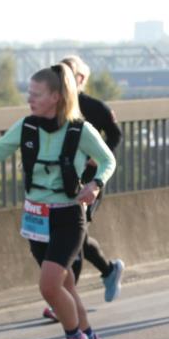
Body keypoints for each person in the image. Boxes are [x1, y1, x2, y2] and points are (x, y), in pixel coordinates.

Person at [0, 64, 116, 339]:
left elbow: (108, 160)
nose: (29, 99)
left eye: (36, 94)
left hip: (68, 217)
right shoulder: (27, 127)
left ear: (56, 97)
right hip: (36, 217)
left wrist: (95, 184)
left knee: (49, 287)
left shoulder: (80, 130)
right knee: (66, 287)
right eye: (29, 93)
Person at [35, 55, 123, 322]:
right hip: (60, 185)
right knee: (76, 239)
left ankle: (63, 300)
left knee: (74, 237)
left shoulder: (95, 108)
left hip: (90, 183)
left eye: (67, 73)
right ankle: (108, 270)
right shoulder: (53, 108)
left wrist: (99, 156)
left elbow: (115, 134)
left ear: (81, 79)